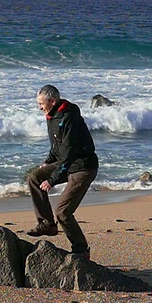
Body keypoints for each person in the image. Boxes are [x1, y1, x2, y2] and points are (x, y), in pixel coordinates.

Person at [26, 85, 98, 259]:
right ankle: (47, 224)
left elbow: (68, 153)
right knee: (34, 177)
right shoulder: (51, 115)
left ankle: (81, 250)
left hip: (83, 167)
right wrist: (47, 163)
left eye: (41, 104)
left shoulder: (69, 118)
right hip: (67, 163)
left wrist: (52, 180)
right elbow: (57, 148)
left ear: (52, 101)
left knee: (63, 212)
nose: (39, 107)